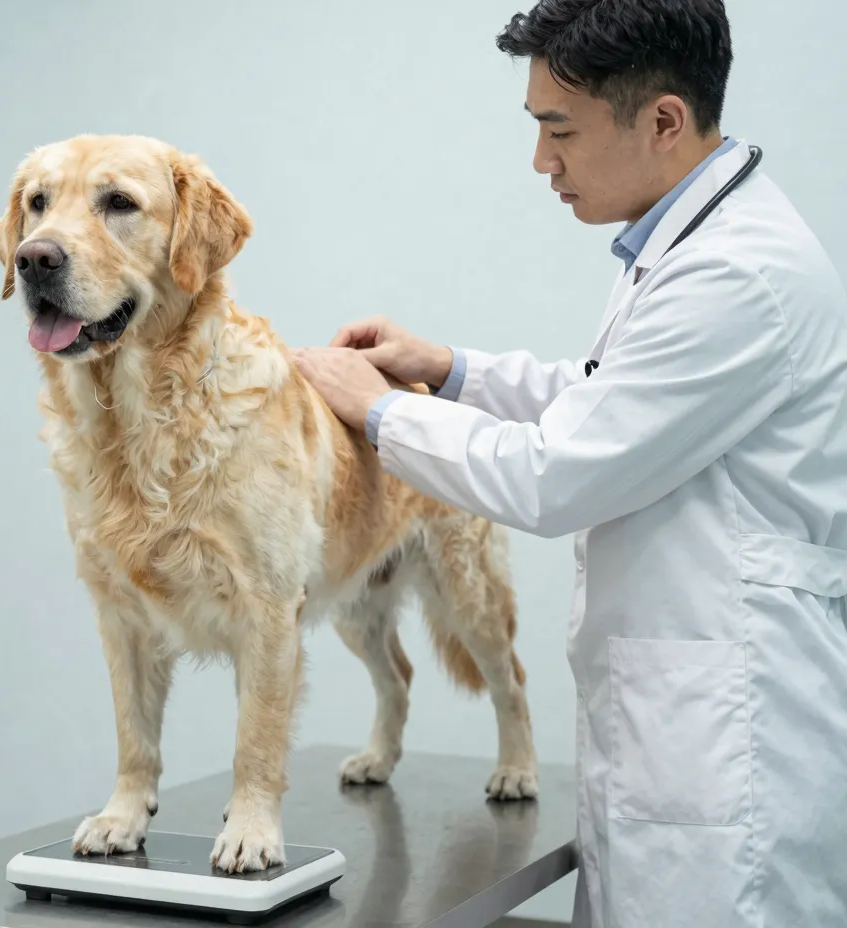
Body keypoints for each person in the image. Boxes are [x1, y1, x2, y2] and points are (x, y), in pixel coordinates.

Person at [291, 1, 847, 926]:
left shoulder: (737, 275)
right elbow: (610, 402)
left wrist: (377, 410)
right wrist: (450, 370)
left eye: (560, 131)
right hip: (677, 737)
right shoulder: (690, 246)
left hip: (730, 757)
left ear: (664, 120)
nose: (542, 161)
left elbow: (554, 476)